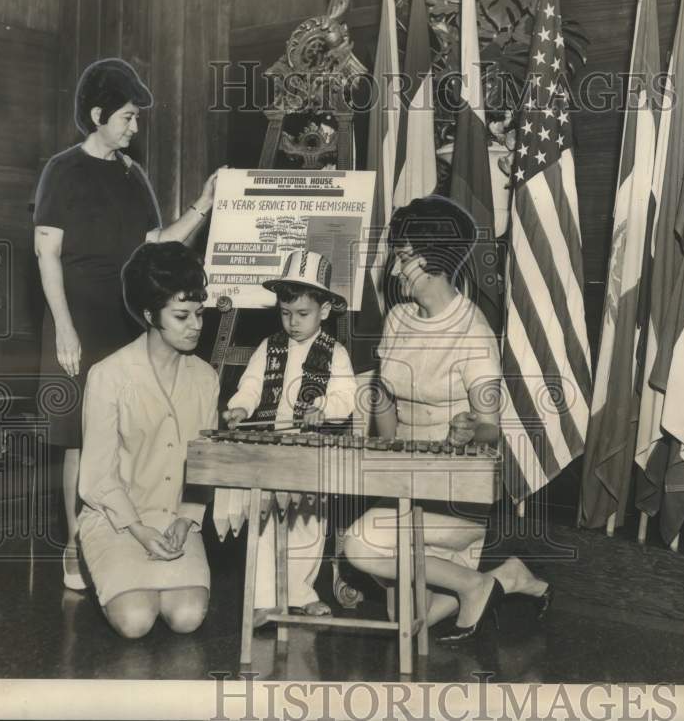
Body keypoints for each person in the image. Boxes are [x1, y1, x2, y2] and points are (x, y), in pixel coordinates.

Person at [33, 58, 221, 589]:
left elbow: (154, 246)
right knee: (78, 438)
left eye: (136, 118)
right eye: (128, 117)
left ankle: (127, 533)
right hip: (77, 320)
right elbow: (47, 254)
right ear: (97, 115)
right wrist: (64, 328)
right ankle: (76, 545)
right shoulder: (62, 170)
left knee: (119, 433)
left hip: (123, 316)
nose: (134, 127)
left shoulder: (133, 175)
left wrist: (203, 207)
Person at [343, 195, 552, 643]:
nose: (395, 271)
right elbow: (386, 406)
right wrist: (378, 440)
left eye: (403, 258)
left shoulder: (474, 334)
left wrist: (470, 429)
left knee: (360, 545)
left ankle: (475, 584)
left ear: (434, 260)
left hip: (456, 493)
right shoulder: (398, 318)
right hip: (405, 482)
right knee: (406, 620)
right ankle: (508, 577)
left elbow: (492, 428)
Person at [77, 242, 218, 639]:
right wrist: (138, 529)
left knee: (187, 616)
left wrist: (187, 518)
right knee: (137, 621)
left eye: (199, 314)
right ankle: (99, 568)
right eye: (181, 316)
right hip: (116, 517)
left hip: (175, 517)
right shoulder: (109, 376)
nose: (195, 325)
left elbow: (205, 466)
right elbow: (97, 476)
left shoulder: (206, 379)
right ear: (148, 315)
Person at [223, 250, 358, 624]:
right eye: (285, 313)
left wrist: (326, 409)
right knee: (266, 521)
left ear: (325, 311)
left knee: (309, 525)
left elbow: (346, 396)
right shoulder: (270, 347)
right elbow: (250, 385)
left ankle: (300, 593)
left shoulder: (336, 353)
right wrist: (240, 408)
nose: (293, 322)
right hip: (271, 449)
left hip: (312, 450)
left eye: (303, 314)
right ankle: (265, 599)